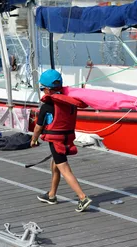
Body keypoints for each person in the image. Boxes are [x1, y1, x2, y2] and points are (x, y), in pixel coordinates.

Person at [31, 69, 92, 212]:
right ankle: (52, 195)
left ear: (47, 89)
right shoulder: (70, 102)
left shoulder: (47, 105)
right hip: (68, 137)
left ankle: (83, 198)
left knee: (64, 169)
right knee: (55, 165)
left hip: (56, 140)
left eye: (42, 88)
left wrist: (33, 140)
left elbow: (38, 127)